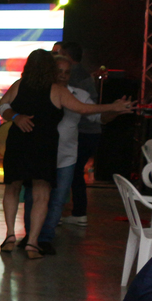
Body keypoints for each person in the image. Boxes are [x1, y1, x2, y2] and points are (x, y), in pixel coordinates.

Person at [0, 49, 130, 259]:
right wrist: (112, 106)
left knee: (12, 189)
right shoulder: (56, 90)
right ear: (50, 68)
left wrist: (15, 117)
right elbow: (83, 109)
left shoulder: (19, 85)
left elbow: (2, 104)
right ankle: (32, 243)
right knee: (42, 194)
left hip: (19, 143)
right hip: (44, 146)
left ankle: (10, 235)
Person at [20, 55, 110, 255]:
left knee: (58, 200)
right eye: (58, 71)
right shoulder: (36, 92)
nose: (62, 75)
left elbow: (97, 116)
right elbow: (6, 106)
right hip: (39, 155)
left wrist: (115, 110)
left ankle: (44, 239)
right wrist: (17, 117)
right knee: (32, 198)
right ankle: (30, 236)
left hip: (65, 157)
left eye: (67, 72)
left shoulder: (79, 94)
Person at [62, 41, 98, 226]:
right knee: (73, 172)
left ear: (67, 56)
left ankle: (77, 212)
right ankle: (75, 212)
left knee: (72, 172)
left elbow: (80, 107)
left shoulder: (74, 77)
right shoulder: (82, 73)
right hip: (88, 130)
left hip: (83, 131)